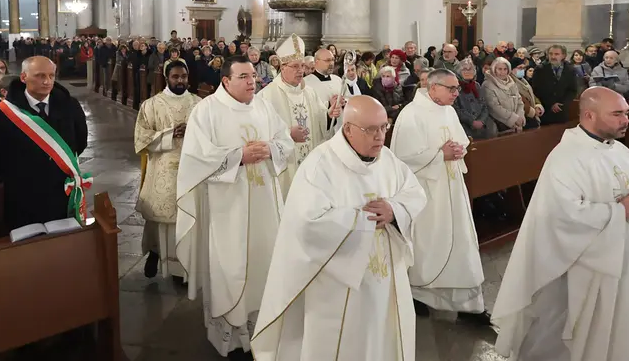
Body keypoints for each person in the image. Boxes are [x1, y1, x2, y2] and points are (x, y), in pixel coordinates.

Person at [251, 96, 426, 361]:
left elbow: (414, 193)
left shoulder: (387, 159)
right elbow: (306, 223)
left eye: (383, 127)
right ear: (348, 129)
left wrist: (394, 210)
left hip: (386, 278)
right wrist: (361, 222)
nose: (380, 137)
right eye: (371, 130)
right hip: (338, 285)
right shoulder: (320, 165)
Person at [493, 87, 629, 361]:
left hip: (623, 258)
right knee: (571, 337)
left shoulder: (620, 152)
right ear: (589, 115)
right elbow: (562, 215)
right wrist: (620, 212)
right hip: (580, 269)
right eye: (617, 114)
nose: (626, 119)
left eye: (626, 113)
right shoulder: (566, 158)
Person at [175, 55, 295, 360]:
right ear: (226, 81)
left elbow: (286, 142)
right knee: (231, 264)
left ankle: (263, 329)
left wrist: (272, 149)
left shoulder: (264, 107)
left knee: (265, 260)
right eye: (243, 76)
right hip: (227, 206)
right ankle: (230, 336)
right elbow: (195, 159)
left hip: (265, 201)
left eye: (253, 75)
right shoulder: (207, 111)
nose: (252, 81)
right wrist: (238, 156)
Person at [391, 69, 492, 325]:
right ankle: (419, 293)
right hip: (427, 193)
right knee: (430, 244)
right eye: (451, 89)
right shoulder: (411, 114)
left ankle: (469, 303)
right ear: (433, 87)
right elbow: (401, 159)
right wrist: (438, 156)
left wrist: (460, 148)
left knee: (460, 241)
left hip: (452, 189)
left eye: (457, 89)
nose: (456, 94)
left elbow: (459, 140)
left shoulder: (447, 110)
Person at [0, 56, 88, 230]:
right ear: (24, 77)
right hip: (23, 194)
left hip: (61, 191)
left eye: (51, 76)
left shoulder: (69, 105)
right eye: (40, 76)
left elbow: (80, 141)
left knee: (66, 244)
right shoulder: (2, 114)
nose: (47, 81)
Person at [134, 61, 201, 279]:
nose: (180, 80)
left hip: (192, 168)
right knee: (159, 217)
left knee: (187, 217)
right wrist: (170, 134)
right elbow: (141, 139)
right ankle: (155, 253)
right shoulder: (151, 105)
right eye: (175, 77)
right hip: (162, 168)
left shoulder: (199, 104)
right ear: (167, 77)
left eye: (183, 76)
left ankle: (182, 270)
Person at [260, 34, 341, 197]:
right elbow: (260, 134)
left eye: (302, 66)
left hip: (309, 166)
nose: (301, 71)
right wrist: (287, 134)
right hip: (285, 170)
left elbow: (320, 121)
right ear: (282, 67)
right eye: (295, 66)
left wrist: (329, 114)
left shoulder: (309, 92)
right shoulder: (266, 96)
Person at [531, 45, 578, 125]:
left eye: (556, 54)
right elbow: (536, 90)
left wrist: (562, 104)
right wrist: (551, 103)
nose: (553, 56)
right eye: (550, 54)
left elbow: (572, 90)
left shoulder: (570, 70)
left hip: (562, 111)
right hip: (546, 111)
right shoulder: (540, 69)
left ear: (563, 55)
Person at [454, 58, 497, 139]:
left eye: (470, 69)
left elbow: (484, 106)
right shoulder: (455, 87)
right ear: (459, 71)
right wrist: (471, 121)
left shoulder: (476, 85)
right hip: (464, 124)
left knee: (492, 131)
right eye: (464, 69)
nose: (467, 72)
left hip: (481, 122)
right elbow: (456, 109)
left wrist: (481, 120)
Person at [482, 57, 526, 133]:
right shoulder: (487, 85)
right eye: (499, 69)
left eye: (505, 69)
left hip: (517, 123)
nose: (502, 72)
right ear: (494, 69)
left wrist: (520, 116)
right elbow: (494, 107)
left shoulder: (512, 83)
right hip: (500, 124)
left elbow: (519, 101)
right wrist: (513, 119)